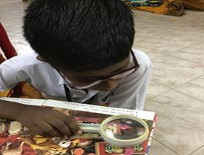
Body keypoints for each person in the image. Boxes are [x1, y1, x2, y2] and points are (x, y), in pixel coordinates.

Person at [0, 0, 152, 137]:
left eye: (119, 72)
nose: (111, 85)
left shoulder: (138, 65)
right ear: (47, 61)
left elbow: (124, 116)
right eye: (89, 79)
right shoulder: (25, 66)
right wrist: (21, 111)